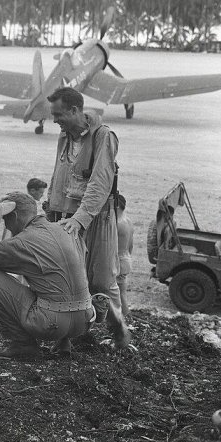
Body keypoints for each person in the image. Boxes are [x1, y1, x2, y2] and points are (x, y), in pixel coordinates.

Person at [45, 87, 132, 349]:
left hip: (96, 219)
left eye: (59, 114)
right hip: (66, 219)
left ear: (75, 110)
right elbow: (58, 172)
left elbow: (101, 183)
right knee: (68, 280)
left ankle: (120, 339)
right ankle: (67, 340)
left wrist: (80, 219)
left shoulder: (103, 137)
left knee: (103, 281)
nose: (55, 120)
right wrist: (51, 205)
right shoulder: (65, 136)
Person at [0, 192, 99, 359]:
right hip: (85, 320)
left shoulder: (19, 242)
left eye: (5, 221)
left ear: (14, 216)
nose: (7, 227)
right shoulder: (68, 229)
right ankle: (64, 343)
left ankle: (22, 344)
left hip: (50, 324)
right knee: (54, 281)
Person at [116, 194, 134, 318]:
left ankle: (125, 318)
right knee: (122, 293)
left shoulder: (116, 223)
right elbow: (131, 245)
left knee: (119, 294)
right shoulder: (128, 221)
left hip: (118, 262)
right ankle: (126, 317)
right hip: (126, 259)